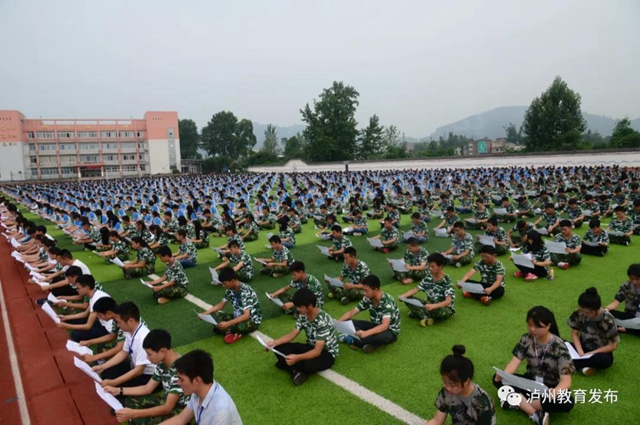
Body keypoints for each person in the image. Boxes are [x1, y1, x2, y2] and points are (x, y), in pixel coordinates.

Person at [493, 306, 575, 424]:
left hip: (549, 388)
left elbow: (566, 381)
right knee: (497, 380)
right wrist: (503, 375)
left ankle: (517, 402)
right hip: (529, 383)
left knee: (566, 401)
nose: (532, 329)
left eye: (537, 326)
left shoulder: (560, 346)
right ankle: (534, 412)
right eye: (529, 324)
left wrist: (555, 392)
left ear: (548, 326)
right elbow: (514, 363)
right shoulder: (526, 339)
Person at [105, 329, 187, 424]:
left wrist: (134, 414)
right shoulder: (162, 364)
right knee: (131, 400)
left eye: (149, 354)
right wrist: (118, 390)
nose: (148, 358)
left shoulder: (179, 372)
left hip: (182, 409)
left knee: (153, 421)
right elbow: (147, 388)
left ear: (162, 351)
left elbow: (167, 408)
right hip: (167, 401)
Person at [266, 288, 339, 386]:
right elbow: (291, 335)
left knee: (306, 364)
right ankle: (296, 370)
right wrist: (275, 342)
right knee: (278, 348)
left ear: (310, 306)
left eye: (300, 307)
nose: (297, 309)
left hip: (326, 353)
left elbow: (317, 351)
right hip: (310, 347)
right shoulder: (304, 315)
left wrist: (297, 357)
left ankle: (292, 368)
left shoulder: (323, 321)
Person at [157, 349, 242, 425]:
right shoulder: (199, 391)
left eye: (181, 379)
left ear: (197, 380)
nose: (178, 383)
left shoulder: (220, 411)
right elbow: (180, 419)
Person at [425, 345, 496, 425]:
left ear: (466, 381)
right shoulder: (447, 391)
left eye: (452, 385)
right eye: (444, 382)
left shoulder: (482, 403)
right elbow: (436, 421)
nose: (447, 388)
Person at [93, 302, 156, 391]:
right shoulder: (130, 331)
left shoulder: (143, 339)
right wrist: (103, 366)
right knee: (107, 372)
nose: (118, 325)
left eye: (119, 322)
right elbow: (124, 352)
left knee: (114, 386)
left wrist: (114, 382)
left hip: (148, 375)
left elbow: (139, 370)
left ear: (130, 321)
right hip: (134, 366)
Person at [337, 274, 401, 353]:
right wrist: (337, 323)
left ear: (376, 290)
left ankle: (354, 340)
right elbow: (352, 312)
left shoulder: (387, 301)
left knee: (380, 337)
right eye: (363, 290)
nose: (364, 293)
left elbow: (384, 326)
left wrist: (365, 333)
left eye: (366, 291)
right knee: (348, 322)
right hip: (375, 325)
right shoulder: (367, 298)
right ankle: (371, 344)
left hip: (389, 331)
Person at [201, 267, 262, 344]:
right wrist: (205, 314)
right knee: (213, 314)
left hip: (251, 320)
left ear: (233, 281)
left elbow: (246, 316)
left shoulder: (245, 291)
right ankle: (229, 331)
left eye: (224, 283)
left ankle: (229, 330)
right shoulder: (230, 289)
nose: (223, 286)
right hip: (238, 316)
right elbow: (221, 305)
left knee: (238, 327)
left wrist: (228, 323)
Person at [567, 287, 619, 377]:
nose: (583, 314)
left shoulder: (608, 320)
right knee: (558, 343)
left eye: (585, 312)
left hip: (599, 352)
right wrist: (580, 351)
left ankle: (569, 363)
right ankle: (584, 365)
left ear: (594, 311)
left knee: (604, 360)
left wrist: (590, 353)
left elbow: (612, 346)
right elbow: (575, 333)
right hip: (582, 348)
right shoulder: (579, 312)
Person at [399, 253, 455, 326]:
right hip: (429, 305)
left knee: (439, 312)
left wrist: (433, 306)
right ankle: (424, 315)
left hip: (443, 308)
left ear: (440, 267)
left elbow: (448, 302)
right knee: (408, 298)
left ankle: (420, 313)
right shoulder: (429, 276)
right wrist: (403, 296)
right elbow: (416, 289)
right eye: (429, 266)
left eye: (433, 266)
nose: (430, 268)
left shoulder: (447, 280)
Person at [57, 275, 112, 342]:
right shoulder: (94, 295)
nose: (77, 290)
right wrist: (65, 317)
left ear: (86, 287)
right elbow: (85, 314)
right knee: (70, 321)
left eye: (78, 288)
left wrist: (68, 326)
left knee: (76, 334)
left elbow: (88, 326)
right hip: (101, 322)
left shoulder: (96, 299)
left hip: (107, 328)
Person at [605, 263, 640, 336]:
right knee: (607, 315)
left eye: (637, 279)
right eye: (631, 278)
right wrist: (606, 310)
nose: (634, 282)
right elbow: (616, 302)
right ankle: (629, 328)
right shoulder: (626, 286)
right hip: (630, 315)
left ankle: (627, 329)